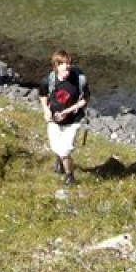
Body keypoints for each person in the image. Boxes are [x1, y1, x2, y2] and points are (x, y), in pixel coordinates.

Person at [40, 49, 89, 186]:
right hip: (54, 120)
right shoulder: (48, 81)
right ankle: (60, 161)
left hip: (73, 120)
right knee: (56, 146)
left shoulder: (79, 80)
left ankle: (70, 177)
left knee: (65, 149)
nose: (67, 66)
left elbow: (85, 100)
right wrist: (46, 110)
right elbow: (43, 95)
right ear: (56, 66)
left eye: (69, 63)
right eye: (63, 64)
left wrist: (67, 111)